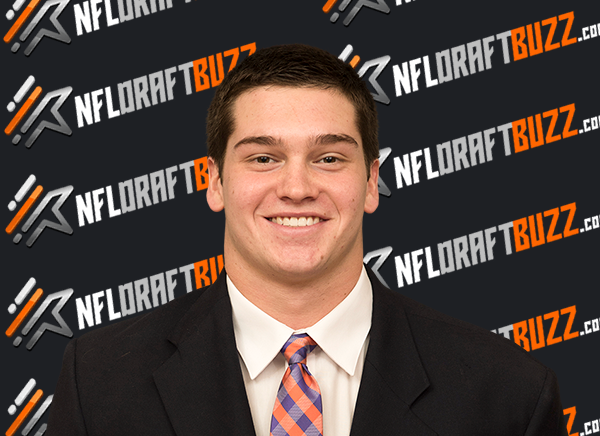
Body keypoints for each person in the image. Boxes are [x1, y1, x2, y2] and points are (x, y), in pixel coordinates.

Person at [46, 44, 568, 436]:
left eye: (329, 158)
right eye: (263, 157)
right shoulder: (98, 383)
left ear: (370, 183)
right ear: (214, 182)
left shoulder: (507, 393)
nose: (296, 188)